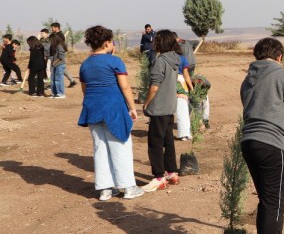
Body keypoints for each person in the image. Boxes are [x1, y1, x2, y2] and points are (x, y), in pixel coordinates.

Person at [240, 37, 284, 234]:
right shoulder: (283, 75)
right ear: (279, 56)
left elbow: (261, 113)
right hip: (272, 147)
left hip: (250, 142)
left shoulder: (248, 80)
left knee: (267, 201)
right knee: (274, 204)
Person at [77, 25, 145, 200]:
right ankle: (129, 187)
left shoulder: (85, 64)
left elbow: (85, 90)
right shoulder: (115, 61)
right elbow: (124, 86)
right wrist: (132, 107)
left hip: (92, 108)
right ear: (107, 43)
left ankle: (105, 189)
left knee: (100, 148)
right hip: (114, 108)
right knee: (120, 145)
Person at [142, 30, 181, 192]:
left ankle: (159, 178)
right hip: (170, 107)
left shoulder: (160, 61)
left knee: (155, 144)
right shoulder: (175, 60)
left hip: (158, 108)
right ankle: (172, 173)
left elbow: (155, 86)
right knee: (168, 141)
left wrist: (146, 103)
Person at [173, 39, 195, 141]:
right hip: (181, 83)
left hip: (170, 82)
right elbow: (186, 76)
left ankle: (184, 133)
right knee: (183, 110)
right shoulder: (182, 59)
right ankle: (184, 133)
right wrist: (191, 88)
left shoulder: (165, 58)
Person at [50, 22, 77, 87]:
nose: (51, 29)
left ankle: (50, 83)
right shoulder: (55, 34)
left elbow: (58, 45)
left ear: (57, 28)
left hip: (58, 53)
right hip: (54, 53)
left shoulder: (60, 35)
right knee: (61, 68)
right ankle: (72, 80)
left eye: (52, 28)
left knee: (55, 67)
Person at [49, 33, 68, 98]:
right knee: (53, 80)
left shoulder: (60, 46)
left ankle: (61, 93)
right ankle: (54, 93)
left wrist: (54, 62)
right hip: (55, 65)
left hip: (59, 65)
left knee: (58, 79)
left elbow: (61, 57)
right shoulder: (56, 46)